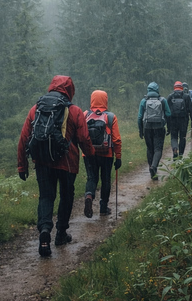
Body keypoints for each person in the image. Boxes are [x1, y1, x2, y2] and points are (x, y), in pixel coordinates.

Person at [17, 75, 95, 258]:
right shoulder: (74, 111)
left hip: (42, 162)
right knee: (66, 197)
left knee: (46, 197)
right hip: (67, 163)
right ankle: (60, 234)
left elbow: (24, 138)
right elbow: (84, 139)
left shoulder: (36, 109)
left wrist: (22, 165)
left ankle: (45, 232)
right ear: (70, 90)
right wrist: (91, 157)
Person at [82, 90, 122, 218]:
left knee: (91, 178)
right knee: (106, 179)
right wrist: (118, 157)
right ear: (105, 100)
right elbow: (116, 139)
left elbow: (81, 135)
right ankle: (103, 208)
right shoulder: (110, 117)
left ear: (92, 100)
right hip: (106, 154)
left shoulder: (85, 115)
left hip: (89, 154)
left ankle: (89, 196)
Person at [137, 81, 171, 180]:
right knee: (158, 149)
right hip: (159, 128)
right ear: (157, 90)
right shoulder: (162, 100)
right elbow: (168, 114)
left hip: (147, 128)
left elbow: (139, 117)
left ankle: (151, 170)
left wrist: (141, 130)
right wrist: (168, 127)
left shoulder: (144, 101)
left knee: (150, 149)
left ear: (148, 90)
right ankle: (154, 166)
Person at [166, 81, 192, 159]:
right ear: (182, 87)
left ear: (174, 88)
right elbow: (191, 110)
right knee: (183, 137)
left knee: (174, 137)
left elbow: (167, 111)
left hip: (173, 120)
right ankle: (180, 155)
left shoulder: (170, 97)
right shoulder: (186, 96)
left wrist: (168, 124)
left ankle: (175, 149)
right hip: (183, 120)